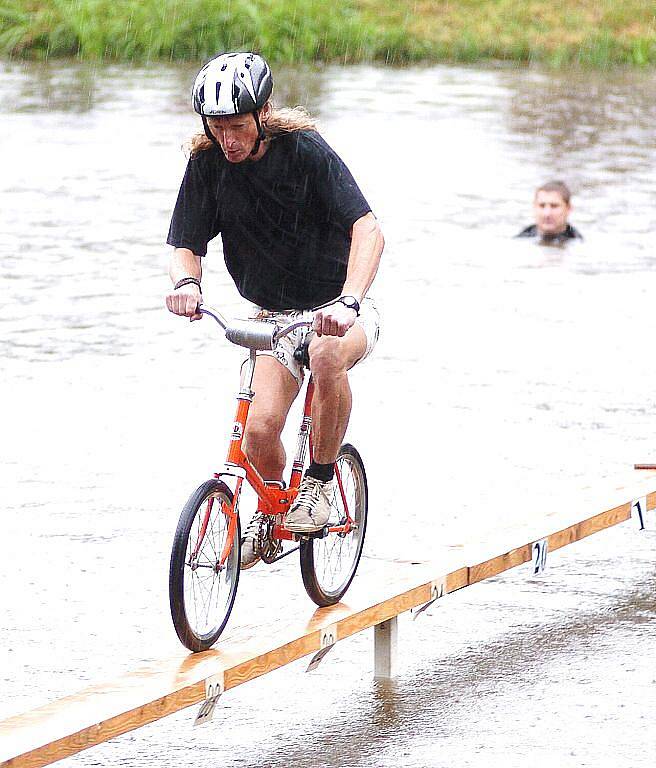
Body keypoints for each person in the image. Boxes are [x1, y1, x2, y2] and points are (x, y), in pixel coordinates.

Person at [165, 52, 384, 569]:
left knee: (328, 356)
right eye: (218, 129)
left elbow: (368, 230)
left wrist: (349, 301)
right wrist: (186, 283)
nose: (230, 141)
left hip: (339, 310)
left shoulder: (305, 152)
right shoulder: (208, 165)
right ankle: (270, 516)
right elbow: (184, 243)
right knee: (260, 431)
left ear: (262, 115)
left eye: (239, 127)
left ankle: (322, 484)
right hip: (273, 318)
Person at [516, 181, 583, 244]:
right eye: (542, 206)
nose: (547, 214)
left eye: (554, 206)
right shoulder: (519, 240)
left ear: (568, 209)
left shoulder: (578, 243)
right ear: (534, 207)